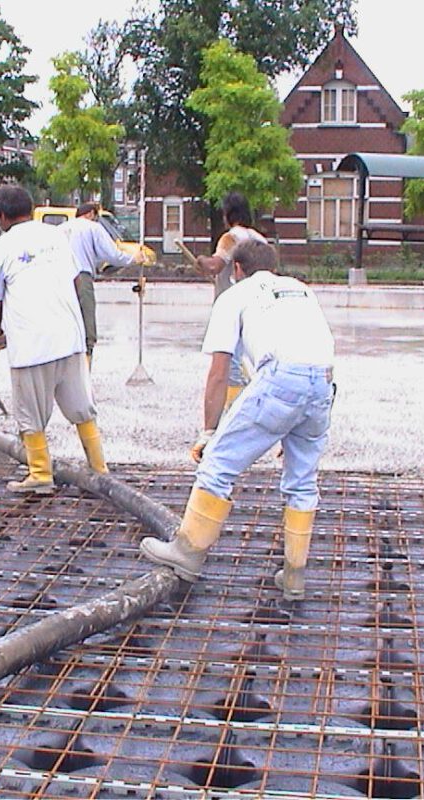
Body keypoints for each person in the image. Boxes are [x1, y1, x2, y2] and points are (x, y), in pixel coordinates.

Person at [140, 239, 335, 601]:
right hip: (323, 384)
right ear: (273, 267)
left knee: (217, 464)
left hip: (280, 376)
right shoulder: (300, 289)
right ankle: (294, 576)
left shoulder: (235, 295)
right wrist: (291, 421)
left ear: (238, 269)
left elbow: (219, 373)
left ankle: (187, 553)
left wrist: (208, 431)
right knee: (302, 482)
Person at [0, 184, 109, 495]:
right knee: (81, 407)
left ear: (1, 216)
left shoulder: (2, 246)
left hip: (31, 345)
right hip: (70, 340)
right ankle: (100, 469)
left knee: (30, 413)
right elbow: (77, 280)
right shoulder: (55, 236)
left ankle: (40, 474)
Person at [193, 191, 267, 406]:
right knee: (247, 358)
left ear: (228, 214)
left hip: (233, 309)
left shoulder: (230, 237)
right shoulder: (258, 239)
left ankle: (235, 409)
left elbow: (216, 265)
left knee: (231, 363)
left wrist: (201, 262)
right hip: (259, 305)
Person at [61, 202, 145, 366]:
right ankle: (84, 374)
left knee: (65, 326)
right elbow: (111, 253)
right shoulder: (93, 228)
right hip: (82, 278)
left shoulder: (61, 229)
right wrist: (132, 258)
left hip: (59, 281)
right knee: (86, 328)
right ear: (91, 214)